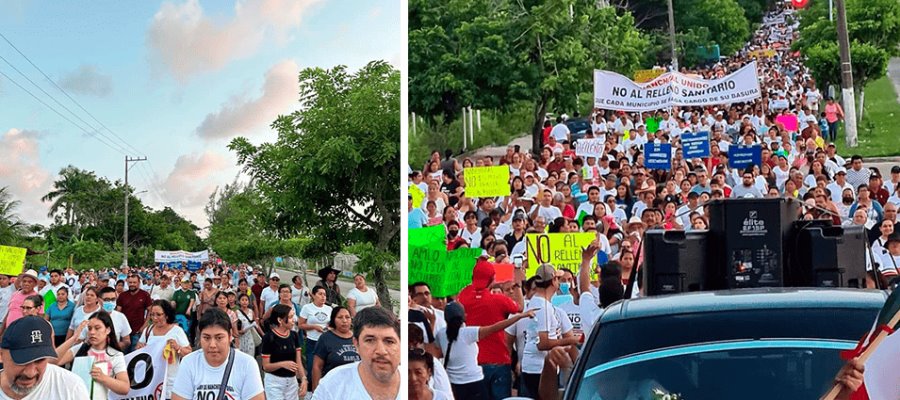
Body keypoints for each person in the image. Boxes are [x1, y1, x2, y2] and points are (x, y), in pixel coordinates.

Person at [432, 301, 534, 399]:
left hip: (453, 385)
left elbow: (437, 352)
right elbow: (495, 327)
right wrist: (520, 316)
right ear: (464, 316)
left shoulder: (441, 334)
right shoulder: (468, 333)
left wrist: (432, 324)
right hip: (474, 383)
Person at [172, 308, 265, 400]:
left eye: (219, 338)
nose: (212, 345)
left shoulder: (247, 364)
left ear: (230, 335)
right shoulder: (189, 362)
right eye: (206, 338)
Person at [312, 307, 401, 400]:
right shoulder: (332, 384)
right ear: (356, 344)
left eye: (389, 341)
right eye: (370, 340)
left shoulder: (413, 381)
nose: (381, 351)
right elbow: (317, 366)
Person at [0, 316, 89, 399]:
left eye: (40, 360)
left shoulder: (71, 387)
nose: (30, 373)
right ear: (1, 355)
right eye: (21, 361)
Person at [55, 311, 131, 395]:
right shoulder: (80, 348)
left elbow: (125, 388)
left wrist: (103, 378)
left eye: (97, 328)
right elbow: (54, 361)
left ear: (108, 330)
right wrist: (74, 338)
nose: (92, 332)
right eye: (89, 328)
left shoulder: (115, 355)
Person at [136, 300, 191, 400]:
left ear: (166, 315)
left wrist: (178, 348)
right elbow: (138, 348)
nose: (155, 318)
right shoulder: (148, 330)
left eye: (159, 314)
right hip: (151, 379)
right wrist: (140, 348)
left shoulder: (176, 331)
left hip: (171, 379)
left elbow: (188, 352)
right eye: (152, 315)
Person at [261, 304, 307, 400]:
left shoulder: (294, 336)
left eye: (293, 316)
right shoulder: (269, 338)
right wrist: (282, 364)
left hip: (292, 382)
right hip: (274, 383)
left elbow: (298, 362)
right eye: (290, 317)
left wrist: (303, 379)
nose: (294, 320)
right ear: (280, 320)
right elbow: (266, 366)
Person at [312, 306, 360, 391]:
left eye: (347, 317)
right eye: (340, 317)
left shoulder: (358, 338)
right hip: (333, 388)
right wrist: (316, 390)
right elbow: (317, 366)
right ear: (333, 319)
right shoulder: (325, 338)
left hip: (355, 387)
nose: (344, 321)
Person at [299, 286, 332, 384]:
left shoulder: (329, 309)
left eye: (325, 295)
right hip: (312, 342)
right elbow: (301, 325)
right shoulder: (307, 308)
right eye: (320, 294)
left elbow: (333, 325)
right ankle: (310, 391)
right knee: (311, 367)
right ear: (313, 295)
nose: (323, 297)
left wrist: (329, 328)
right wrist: (314, 327)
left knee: (325, 369)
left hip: (326, 342)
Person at [116, 274, 152, 353]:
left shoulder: (145, 295)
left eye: (134, 282)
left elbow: (150, 310)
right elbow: (118, 312)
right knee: (123, 354)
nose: (132, 284)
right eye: (130, 282)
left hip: (137, 331)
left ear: (139, 283)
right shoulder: (122, 295)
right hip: (124, 332)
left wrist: (145, 325)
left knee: (135, 355)